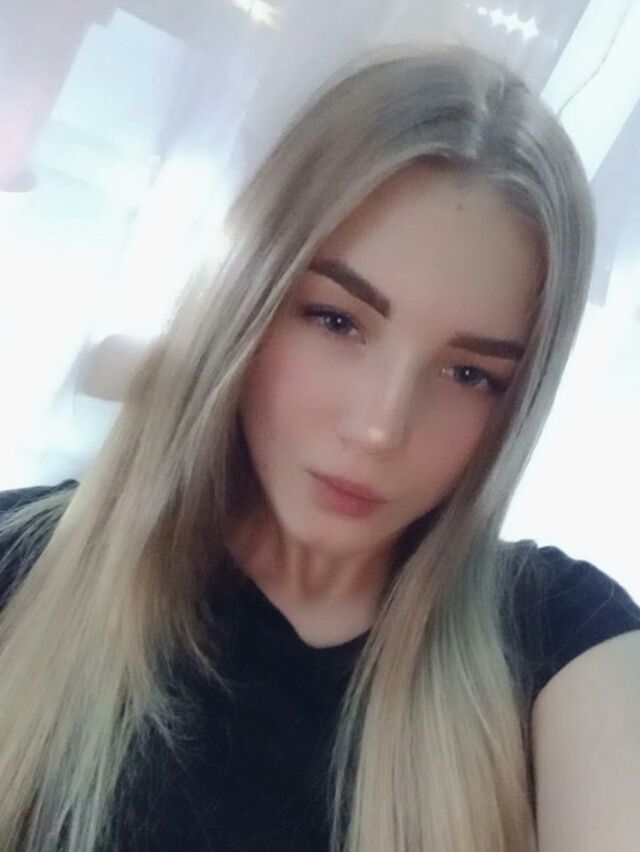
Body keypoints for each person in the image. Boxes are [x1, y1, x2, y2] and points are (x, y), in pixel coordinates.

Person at [0, 42, 639, 852]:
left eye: (471, 374)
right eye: (336, 321)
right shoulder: (22, 572)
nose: (379, 427)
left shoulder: (558, 640)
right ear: (248, 301)